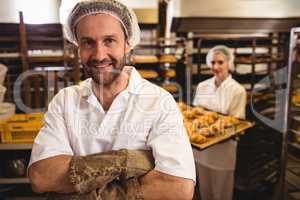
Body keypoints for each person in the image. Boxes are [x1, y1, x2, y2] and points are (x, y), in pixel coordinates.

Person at [28, 0, 195, 199]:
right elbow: (41, 176)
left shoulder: (159, 103)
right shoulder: (65, 101)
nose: (99, 55)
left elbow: (178, 189)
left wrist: (77, 193)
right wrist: (127, 161)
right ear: (77, 46)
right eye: (88, 42)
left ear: (127, 43)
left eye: (109, 40)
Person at [193, 45, 247, 200]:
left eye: (220, 62)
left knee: (222, 193)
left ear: (229, 63)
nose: (216, 67)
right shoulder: (203, 86)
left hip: (223, 152)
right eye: (212, 62)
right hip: (200, 150)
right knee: (205, 191)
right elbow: (196, 116)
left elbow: (236, 122)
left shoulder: (237, 90)